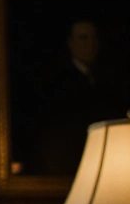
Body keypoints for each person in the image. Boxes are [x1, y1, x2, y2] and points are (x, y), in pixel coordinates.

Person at [34, 20, 130, 175]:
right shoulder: (57, 83)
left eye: (94, 38)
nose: (90, 44)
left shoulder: (108, 80)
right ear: (71, 42)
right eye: (84, 38)